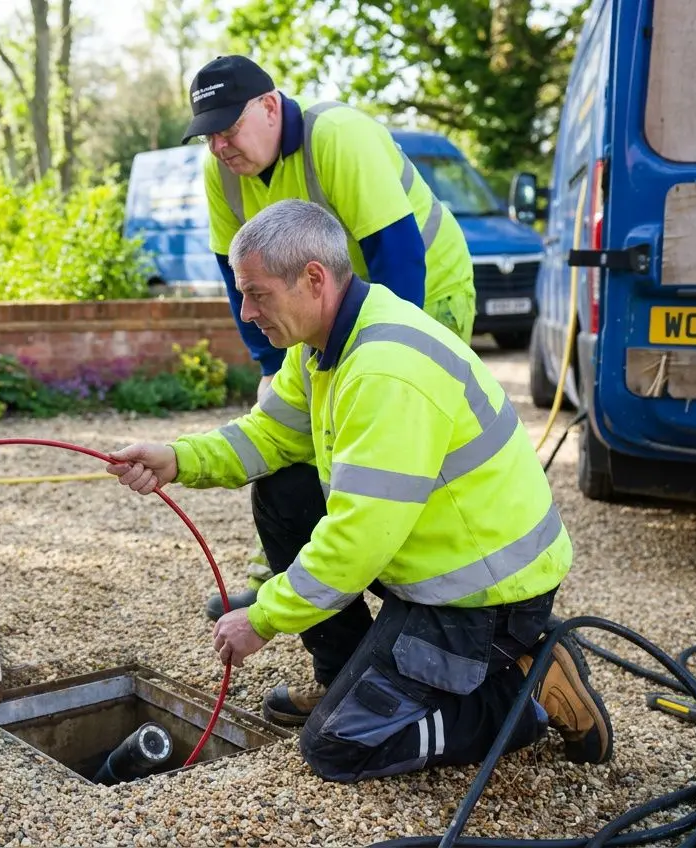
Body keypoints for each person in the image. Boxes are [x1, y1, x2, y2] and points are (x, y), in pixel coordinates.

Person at [105, 200, 612, 783]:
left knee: (338, 747)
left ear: (314, 279)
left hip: (482, 597)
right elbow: (268, 436)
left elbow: (358, 538)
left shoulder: (384, 370)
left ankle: (524, 694)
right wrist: (177, 459)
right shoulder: (324, 346)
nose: (246, 313)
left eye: (257, 294)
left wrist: (263, 618)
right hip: (434, 568)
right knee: (283, 487)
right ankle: (346, 674)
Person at [180, 54, 479, 623]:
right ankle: (293, 576)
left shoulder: (339, 137)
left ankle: (433, 585)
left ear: (270, 107)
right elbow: (234, 275)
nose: (219, 145)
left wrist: (385, 358)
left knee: (398, 436)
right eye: (209, 134)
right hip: (325, 307)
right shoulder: (221, 173)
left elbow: (399, 253)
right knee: (295, 435)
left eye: (228, 127)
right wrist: (271, 363)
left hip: (426, 291)